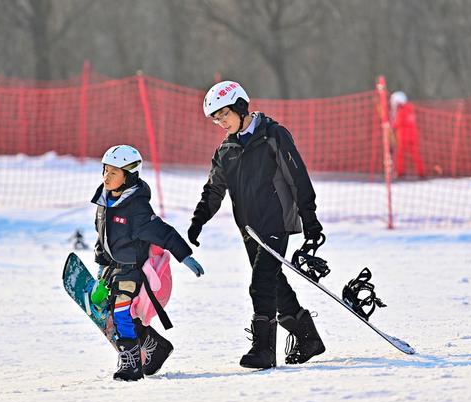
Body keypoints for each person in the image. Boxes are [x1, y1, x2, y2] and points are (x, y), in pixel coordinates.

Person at [188, 81, 325, 369]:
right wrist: (199, 220)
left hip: (276, 223)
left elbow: (297, 178)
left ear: (240, 106)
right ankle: (307, 336)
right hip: (249, 230)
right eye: (216, 119)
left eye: (224, 114)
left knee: (261, 283)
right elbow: (214, 190)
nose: (221, 122)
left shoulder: (273, 135)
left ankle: (263, 349)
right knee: (274, 282)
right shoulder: (226, 150)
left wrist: (310, 220)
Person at [93, 144, 204, 381]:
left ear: (129, 175)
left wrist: (185, 256)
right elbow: (101, 237)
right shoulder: (103, 203)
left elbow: (164, 233)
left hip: (133, 270)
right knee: (121, 314)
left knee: (122, 312)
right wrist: (101, 264)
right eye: (105, 170)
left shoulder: (137, 209)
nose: (107, 177)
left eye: (114, 172)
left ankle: (131, 363)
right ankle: (155, 347)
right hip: (113, 269)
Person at [390, 91, 426, 178]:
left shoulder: (401, 110)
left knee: (400, 155)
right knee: (416, 154)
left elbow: (398, 122)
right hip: (413, 135)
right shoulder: (410, 109)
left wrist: (391, 126)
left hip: (403, 136)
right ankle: (421, 172)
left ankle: (400, 172)